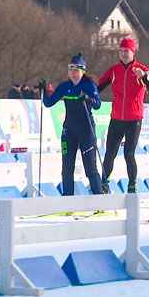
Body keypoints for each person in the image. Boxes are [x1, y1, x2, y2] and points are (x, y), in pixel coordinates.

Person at [98, 37, 149, 193]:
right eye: (121, 51)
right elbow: (97, 88)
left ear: (133, 52)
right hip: (116, 118)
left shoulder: (142, 69)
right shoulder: (113, 71)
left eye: (127, 51)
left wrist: (143, 76)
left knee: (129, 154)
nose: (124, 54)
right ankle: (104, 184)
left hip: (134, 119)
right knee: (110, 153)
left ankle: (132, 185)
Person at [42, 54, 103, 196]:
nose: (73, 73)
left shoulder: (89, 85)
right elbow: (49, 103)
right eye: (70, 70)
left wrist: (88, 99)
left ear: (83, 71)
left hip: (86, 130)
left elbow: (98, 105)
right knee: (67, 167)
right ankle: (67, 199)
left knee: (90, 168)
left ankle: (99, 198)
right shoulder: (65, 87)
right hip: (69, 130)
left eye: (76, 70)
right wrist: (44, 92)